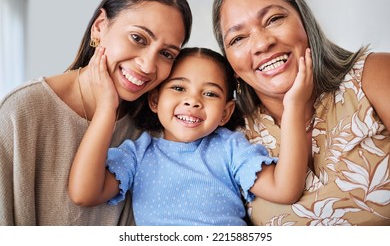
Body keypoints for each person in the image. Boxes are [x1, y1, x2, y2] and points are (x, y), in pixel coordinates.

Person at [0, 0, 192, 226]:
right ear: (100, 26)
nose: (147, 65)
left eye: (166, 54)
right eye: (138, 38)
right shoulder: (22, 110)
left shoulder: (155, 129)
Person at [212, 0, 390, 225]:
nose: (262, 43)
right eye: (238, 38)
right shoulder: (233, 139)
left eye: (273, 19)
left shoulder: (374, 74)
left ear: (305, 22)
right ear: (230, 63)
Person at [68, 47, 313, 226]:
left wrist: (294, 107)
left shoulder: (230, 148)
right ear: (155, 100)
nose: (193, 101)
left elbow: (285, 189)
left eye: (210, 93)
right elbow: (83, 193)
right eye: (178, 88)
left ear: (226, 113)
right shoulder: (137, 154)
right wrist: (105, 109)